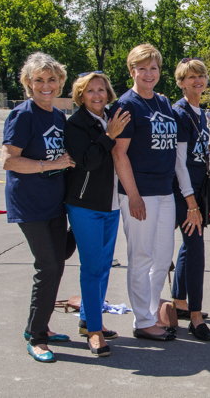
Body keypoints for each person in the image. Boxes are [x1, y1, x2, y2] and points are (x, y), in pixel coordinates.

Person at [112, 44, 200, 341]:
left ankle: (151, 313)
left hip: (165, 192)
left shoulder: (162, 103)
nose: (149, 74)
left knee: (162, 258)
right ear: (132, 71)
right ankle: (142, 321)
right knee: (141, 257)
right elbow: (120, 154)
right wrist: (133, 195)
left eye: (154, 68)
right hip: (140, 194)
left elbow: (175, 152)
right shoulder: (127, 105)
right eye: (142, 68)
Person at [2, 52, 75, 362]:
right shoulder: (23, 115)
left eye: (52, 79)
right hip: (30, 204)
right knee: (47, 266)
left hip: (54, 202)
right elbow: (10, 160)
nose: (46, 85)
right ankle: (36, 336)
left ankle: (40, 324)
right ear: (28, 83)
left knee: (58, 260)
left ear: (60, 82)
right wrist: (50, 164)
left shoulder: (58, 116)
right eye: (39, 80)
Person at [64, 71, 130, 357]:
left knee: (103, 267)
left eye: (102, 89)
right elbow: (87, 162)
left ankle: (89, 319)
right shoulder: (76, 124)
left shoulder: (111, 116)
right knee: (91, 268)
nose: (97, 95)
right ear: (80, 94)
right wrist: (108, 136)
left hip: (111, 203)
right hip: (85, 205)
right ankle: (94, 331)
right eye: (90, 90)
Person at [170, 58, 210, 341]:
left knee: (189, 247)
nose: (197, 81)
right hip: (183, 191)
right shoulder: (179, 113)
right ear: (180, 82)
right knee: (196, 248)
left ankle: (179, 301)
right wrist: (190, 203)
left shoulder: (200, 113)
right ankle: (196, 315)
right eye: (190, 77)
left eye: (201, 75)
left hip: (199, 188)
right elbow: (179, 161)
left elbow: (195, 151)